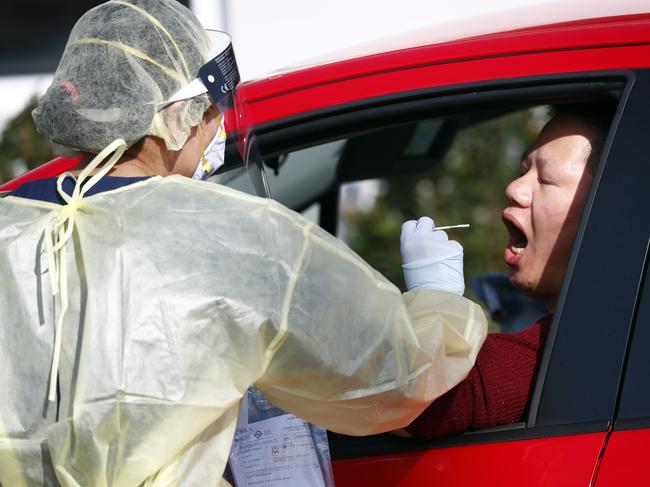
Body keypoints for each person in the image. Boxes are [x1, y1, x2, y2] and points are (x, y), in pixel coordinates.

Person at [0, 1, 487, 485]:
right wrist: (438, 302)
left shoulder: (10, 227)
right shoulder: (231, 237)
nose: (219, 126)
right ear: (177, 118)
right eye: (212, 111)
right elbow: (388, 379)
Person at [397, 103, 615, 439]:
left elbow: (421, 407)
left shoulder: (571, 352)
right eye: (524, 169)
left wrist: (433, 297)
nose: (514, 188)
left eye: (545, 178)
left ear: (604, 212)